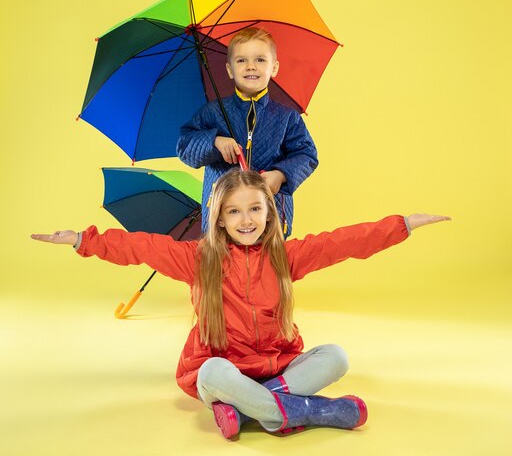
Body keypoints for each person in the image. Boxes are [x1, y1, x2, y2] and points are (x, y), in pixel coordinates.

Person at [31, 169, 451, 440]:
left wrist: (402, 226)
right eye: (233, 212)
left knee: (336, 357)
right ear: (219, 219)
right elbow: (139, 246)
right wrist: (82, 240)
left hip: (276, 366)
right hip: (219, 369)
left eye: (254, 208)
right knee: (214, 372)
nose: (245, 219)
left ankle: (252, 411)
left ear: (270, 213)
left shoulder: (285, 257)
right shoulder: (198, 258)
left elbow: (342, 243)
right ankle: (312, 411)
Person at [176, 27, 318, 237]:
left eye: (260, 60)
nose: (251, 66)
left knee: (268, 268)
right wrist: (214, 141)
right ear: (230, 69)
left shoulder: (287, 118)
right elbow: (185, 147)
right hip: (223, 218)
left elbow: (306, 155)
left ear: (274, 67)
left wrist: (280, 175)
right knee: (221, 267)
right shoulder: (212, 112)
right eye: (241, 61)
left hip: (271, 214)